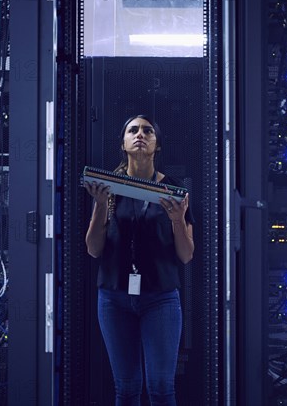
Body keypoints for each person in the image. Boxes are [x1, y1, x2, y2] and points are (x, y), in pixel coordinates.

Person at [83, 115, 194, 406]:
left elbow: (186, 254)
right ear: (123, 143)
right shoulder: (109, 190)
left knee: (160, 386)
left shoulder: (174, 191)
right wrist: (98, 206)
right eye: (133, 130)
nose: (140, 134)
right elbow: (94, 249)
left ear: (157, 145)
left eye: (148, 131)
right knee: (127, 387)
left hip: (160, 298)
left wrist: (178, 220)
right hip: (114, 298)